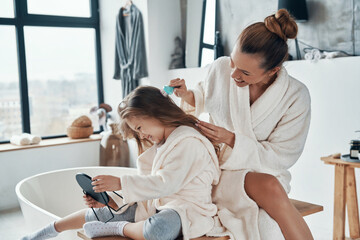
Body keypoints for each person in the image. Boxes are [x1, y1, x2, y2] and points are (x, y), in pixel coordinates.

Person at [169, 9, 313, 240]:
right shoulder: (220, 68)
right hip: (217, 171)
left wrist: (231, 139)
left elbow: (282, 156)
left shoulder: (295, 96)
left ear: (273, 71)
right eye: (233, 63)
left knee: (270, 192)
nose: (233, 74)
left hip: (261, 171)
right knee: (270, 190)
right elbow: (204, 96)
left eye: (245, 72)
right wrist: (186, 95)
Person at [21, 86, 220, 240]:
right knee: (104, 211)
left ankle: (117, 228)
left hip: (188, 209)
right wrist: (113, 200)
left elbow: (166, 184)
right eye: (137, 131)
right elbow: (149, 185)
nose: (142, 134)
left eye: (140, 127)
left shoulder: (189, 142)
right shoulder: (166, 142)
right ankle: (46, 231)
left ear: (157, 113)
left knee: (159, 229)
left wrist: (119, 183)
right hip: (159, 204)